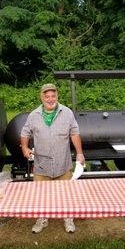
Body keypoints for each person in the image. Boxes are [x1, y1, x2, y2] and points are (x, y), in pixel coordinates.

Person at [20, 83, 85, 234]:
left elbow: (74, 133)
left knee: (66, 194)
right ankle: (42, 219)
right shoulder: (33, 115)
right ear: (41, 97)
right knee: (41, 195)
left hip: (63, 163)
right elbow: (25, 133)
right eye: (47, 96)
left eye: (53, 95)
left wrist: (80, 153)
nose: (50, 99)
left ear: (57, 96)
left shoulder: (67, 113)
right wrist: (24, 147)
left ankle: (68, 219)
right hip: (42, 166)